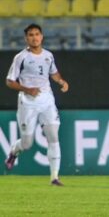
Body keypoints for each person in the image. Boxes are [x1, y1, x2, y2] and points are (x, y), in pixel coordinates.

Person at [4, 24, 69, 186]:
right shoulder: (21, 57)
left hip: (47, 100)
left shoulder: (48, 56)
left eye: (37, 34)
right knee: (27, 143)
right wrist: (27, 89)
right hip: (28, 102)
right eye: (31, 35)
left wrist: (61, 81)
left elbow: (53, 73)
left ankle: (54, 177)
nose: (34, 37)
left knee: (53, 136)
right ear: (26, 38)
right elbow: (9, 81)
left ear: (42, 36)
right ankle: (13, 152)